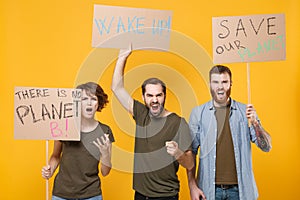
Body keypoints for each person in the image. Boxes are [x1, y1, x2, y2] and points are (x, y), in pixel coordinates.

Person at [111, 46, 194, 200]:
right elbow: (116, 88)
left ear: (164, 95)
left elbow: (189, 164)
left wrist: (178, 153)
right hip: (141, 195)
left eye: (159, 95)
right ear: (143, 97)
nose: (154, 100)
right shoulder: (141, 114)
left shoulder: (178, 122)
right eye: (150, 95)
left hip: (167, 196)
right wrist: (123, 56)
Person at [187, 65, 272, 200]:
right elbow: (190, 152)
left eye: (224, 82)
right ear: (209, 84)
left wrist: (255, 123)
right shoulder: (198, 113)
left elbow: (266, 147)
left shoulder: (246, 111)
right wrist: (192, 186)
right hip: (209, 190)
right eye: (216, 82)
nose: (220, 87)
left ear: (231, 84)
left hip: (240, 190)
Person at [41, 82, 114, 200]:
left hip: (91, 194)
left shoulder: (105, 131)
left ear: (98, 103)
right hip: (62, 193)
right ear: (77, 103)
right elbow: (55, 156)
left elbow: (105, 172)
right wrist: (50, 169)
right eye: (84, 99)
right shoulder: (64, 126)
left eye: (93, 99)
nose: (89, 103)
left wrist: (105, 154)